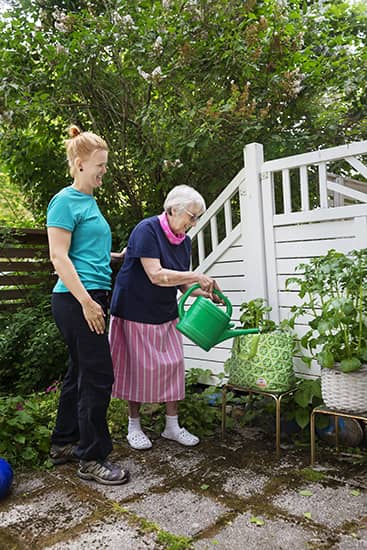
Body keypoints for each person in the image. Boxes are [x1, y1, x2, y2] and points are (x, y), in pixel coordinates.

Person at [46, 125, 129, 485]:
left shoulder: (89, 202)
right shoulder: (64, 201)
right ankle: (92, 457)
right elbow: (59, 257)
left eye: (105, 165)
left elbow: (84, 252)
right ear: (79, 164)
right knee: (98, 376)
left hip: (91, 295)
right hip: (77, 299)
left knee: (80, 372)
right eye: (100, 165)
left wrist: (115, 256)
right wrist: (87, 303)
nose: (104, 171)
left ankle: (64, 442)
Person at [109, 184, 221, 450]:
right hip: (134, 308)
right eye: (191, 216)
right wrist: (197, 276)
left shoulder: (185, 241)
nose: (194, 223)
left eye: (196, 218)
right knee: (135, 369)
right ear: (172, 210)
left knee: (174, 365)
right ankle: (133, 426)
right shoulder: (147, 230)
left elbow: (181, 285)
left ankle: (172, 426)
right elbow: (156, 274)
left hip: (164, 310)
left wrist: (207, 295)